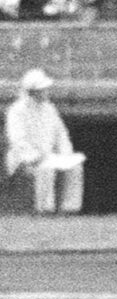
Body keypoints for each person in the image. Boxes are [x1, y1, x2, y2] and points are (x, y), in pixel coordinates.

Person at [4, 68, 84, 215]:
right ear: (32, 92)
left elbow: (61, 135)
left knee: (76, 167)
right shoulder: (16, 111)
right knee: (45, 169)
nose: (46, 92)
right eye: (42, 90)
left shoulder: (50, 109)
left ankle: (70, 209)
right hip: (24, 159)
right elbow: (18, 140)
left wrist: (67, 154)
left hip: (49, 156)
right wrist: (34, 156)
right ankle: (45, 209)